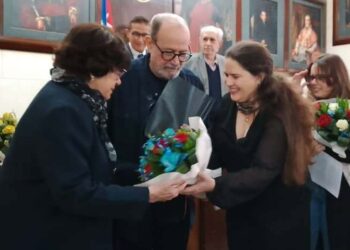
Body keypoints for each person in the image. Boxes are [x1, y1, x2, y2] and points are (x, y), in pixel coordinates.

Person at [0, 23, 186, 250]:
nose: (119, 82)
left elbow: (96, 169)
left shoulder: (74, 99)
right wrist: (148, 194)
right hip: (50, 234)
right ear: (95, 69)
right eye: (117, 73)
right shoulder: (62, 110)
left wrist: (149, 178)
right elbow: (76, 193)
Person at [182, 41, 315, 250]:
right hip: (241, 206)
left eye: (235, 77)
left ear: (259, 77)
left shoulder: (277, 112)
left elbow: (264, 170)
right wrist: (188, 163)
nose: (228, 82)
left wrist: (216, 185)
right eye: (226, 75)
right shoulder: (227, 104)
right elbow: (215, 149)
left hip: (279, 214)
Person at [108, 13, 204, 250]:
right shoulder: (122, 78)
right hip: (129, 204)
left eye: (182, 54)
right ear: (150, 44)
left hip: (174, 208)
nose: (175, 61)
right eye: (168, 52)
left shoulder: (192, 83)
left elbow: (200, 137)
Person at [294, 54, 350, 250]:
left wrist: (332, 147)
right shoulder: (302, 108)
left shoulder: (346, 108)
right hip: (308, 187)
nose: (313, 82)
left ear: (337, 77)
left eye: (320, 77)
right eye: (311, 77)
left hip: (342, 189)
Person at [184, 25, 227, 101]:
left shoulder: (225, 62)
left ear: (219, 43)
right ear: (200, 41)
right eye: (205, 39)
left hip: (222, 109)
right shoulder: (189, 62)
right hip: (199, 109)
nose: (208, 43)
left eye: (212, 40)